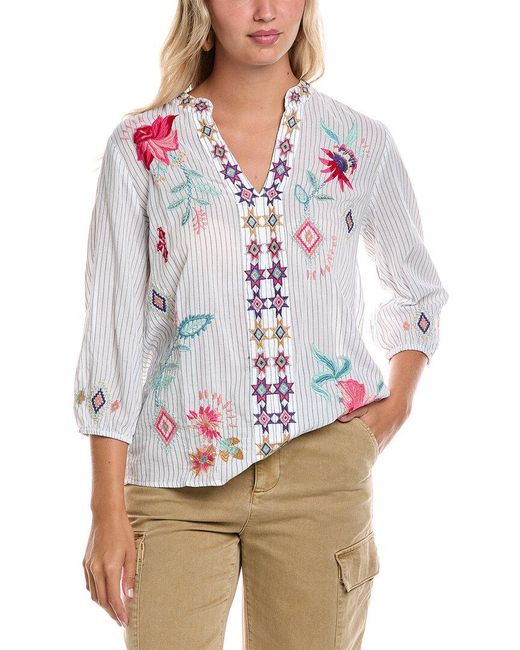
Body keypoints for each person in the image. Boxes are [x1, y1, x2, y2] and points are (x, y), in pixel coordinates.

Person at [73, 1, 449, 648]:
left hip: (320, 474)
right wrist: (106, 507)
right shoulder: (143, 148)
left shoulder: (357, 141)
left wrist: (396, 407)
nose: (266, 10)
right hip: (174, 480)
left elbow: (417, 290)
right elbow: (112, 329)